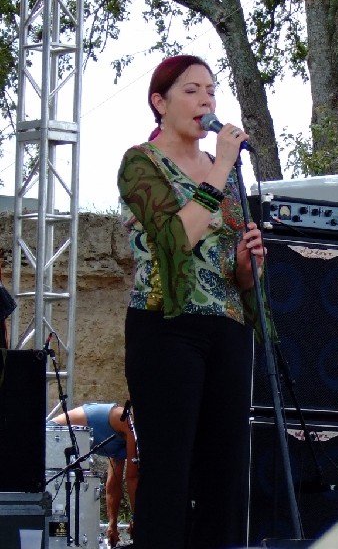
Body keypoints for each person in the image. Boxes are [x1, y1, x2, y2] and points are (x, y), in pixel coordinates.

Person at [117, 54, 266, 549]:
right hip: (166, 327)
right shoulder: (141, 162)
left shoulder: (222, 172)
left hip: (227, 328)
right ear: (159, 103)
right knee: (169, 472)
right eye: (192, 90)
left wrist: (249, 263)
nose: (206, 100)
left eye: (211, 90)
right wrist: (222, 165)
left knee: (225, 475)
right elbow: (175, 238)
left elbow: (232, 270)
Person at [50, 402, 138, 547]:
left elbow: (114, 484)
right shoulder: (128, 424)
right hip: (53, 433)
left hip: (67, 444)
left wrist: (113, 524)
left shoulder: (122, 443)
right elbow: (132, 477)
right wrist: (137, 519)